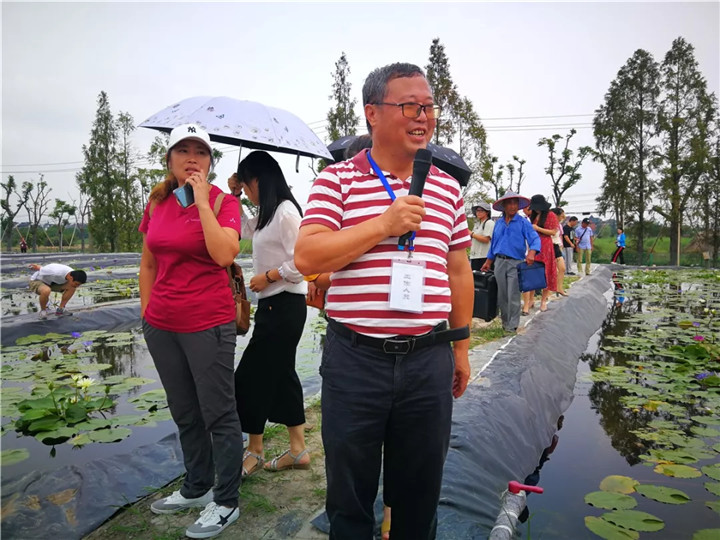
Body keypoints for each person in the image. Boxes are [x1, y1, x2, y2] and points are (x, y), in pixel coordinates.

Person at [295, 62, 473, 540]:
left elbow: (458, 270)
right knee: (349, 497)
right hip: (356, 360)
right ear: (372, 113)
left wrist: (460, 348)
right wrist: (383, 225)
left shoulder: (447, 189)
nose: (424, 116)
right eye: (410, 106)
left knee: (420, 495)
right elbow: (307, 254)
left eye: (429, 107)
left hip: (428, 360)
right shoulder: (337, 180)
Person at [139, 124, 243, 539]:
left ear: (210, 162)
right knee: (184, 411)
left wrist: (201, 203)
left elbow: (224, 254)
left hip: (208, 324)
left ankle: (226, 501)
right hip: (162, 326)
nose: (192, 158)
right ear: (169, 159)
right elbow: (148, 263)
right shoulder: (157, 202)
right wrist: (148, 315)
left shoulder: (222, 202)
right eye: (182, 150)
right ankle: (197, 486)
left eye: (200, 152)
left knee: (218, 412)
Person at [227, 151, 310, 479]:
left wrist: (269, 277)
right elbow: (242, 229)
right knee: (283, 375)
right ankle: (298, 449)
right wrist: (234, 196)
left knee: (250, 377)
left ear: (259, 180)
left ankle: (255, 450)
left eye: (247, 185)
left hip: (284, 306)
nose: (247, 191)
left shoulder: (287, 212)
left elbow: (303, 261)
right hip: (274, 308)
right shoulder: (268, 213)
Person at [481, 191, 540, 332]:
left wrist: (532, 252)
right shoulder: (499, 223)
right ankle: (505, 323)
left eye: (515, 203)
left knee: (513, 294)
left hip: (516, 263)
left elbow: (535, 239)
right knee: (502, 295)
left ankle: (512, 326)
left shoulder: (523, 223)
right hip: (499, 262)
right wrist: (488, 261)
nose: (513, 206)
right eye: (509, 203)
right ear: (504, 206)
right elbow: (494, 244)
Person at [521, 195, 558, 314]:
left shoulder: (551, 215)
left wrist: (537, 228)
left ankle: (543, 301)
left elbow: (553, 232)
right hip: (533, 246)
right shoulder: (532, 215)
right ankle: (530, 300)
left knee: (546, 273)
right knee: (531, 273)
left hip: (546, 246)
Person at [469, 202, 494, 271]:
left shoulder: (489, 223)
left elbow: (486, 239)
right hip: (475, 256)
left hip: (484, 256)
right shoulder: (477, 224)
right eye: (477, 211)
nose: (478, 213)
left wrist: (472, 234)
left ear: (487, 212)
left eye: (481, 211)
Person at [550, 208, 568, 296]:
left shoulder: (559, 224)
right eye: (561, 216)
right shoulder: (549, 223)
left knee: (562, 268)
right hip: (550, 246)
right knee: (551, 270)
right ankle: (550, 290)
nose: (562, 218)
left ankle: (559, 288)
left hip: (557, 246)